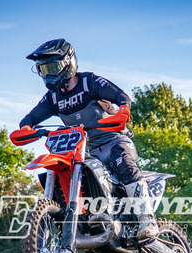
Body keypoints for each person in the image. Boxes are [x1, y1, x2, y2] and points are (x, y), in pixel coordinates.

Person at [19, 38, 158, 241]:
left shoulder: (89, 82)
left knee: (123, 163)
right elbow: (29, 119)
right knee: (69, 173)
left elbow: (122, 96)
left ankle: (147, 219)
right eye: (43, 70)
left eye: (52, 67)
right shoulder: (53, 97)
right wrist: (25, 129)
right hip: (87, 150)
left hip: (114, 141)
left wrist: (123, 110)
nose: (48, 75)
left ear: (68, 63)